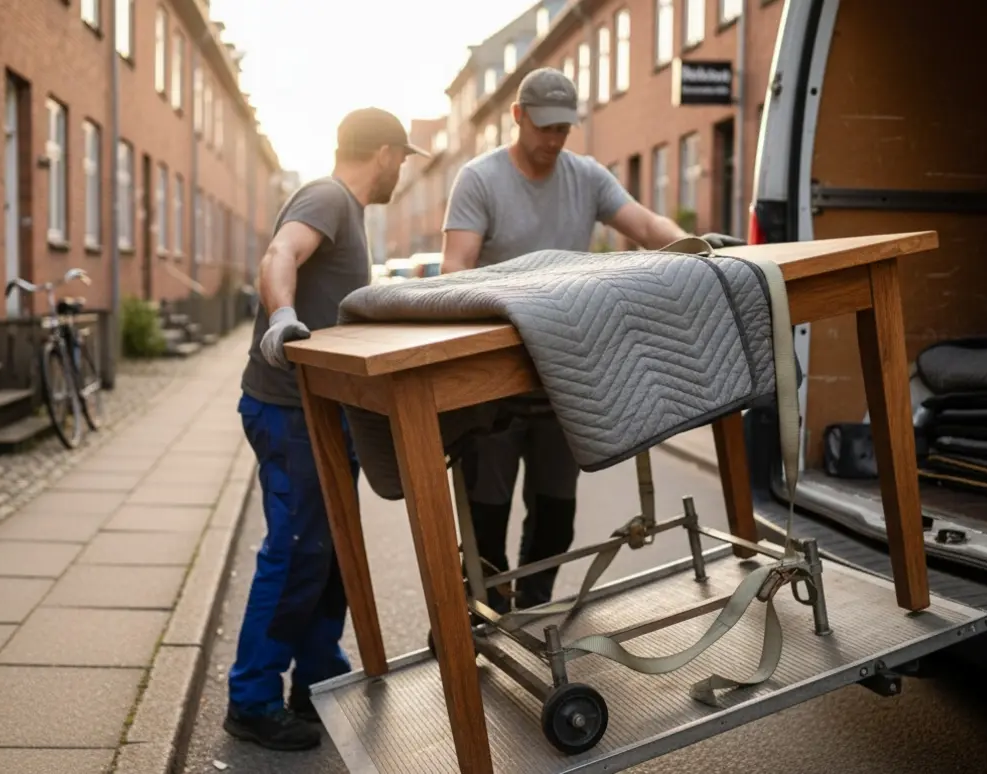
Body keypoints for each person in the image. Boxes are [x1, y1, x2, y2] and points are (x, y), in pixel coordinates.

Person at [441, 67, 743, 613]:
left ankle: (535, 611)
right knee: (485, 514)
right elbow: (454, 270)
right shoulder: (479, 180)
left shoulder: (585, 176)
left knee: (556, 514)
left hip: (563, 370)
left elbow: (647, 226)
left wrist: (700, 248)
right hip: (492, 383)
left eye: (564, 129)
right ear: (518, 116)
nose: (554, 140)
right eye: (545, 127)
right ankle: (485, 616)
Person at [226, 107, 428, 751]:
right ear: (388, 153)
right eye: (404, 157)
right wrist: (282, 313)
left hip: (319, 409)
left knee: (330, 544)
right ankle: (252, 699)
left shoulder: (347, 208)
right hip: (288, 411)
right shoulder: (328, 197)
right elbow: (279, 252)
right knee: (297, 549)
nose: (402, 168)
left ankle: (317, 679)